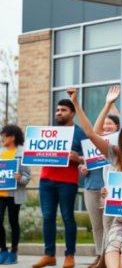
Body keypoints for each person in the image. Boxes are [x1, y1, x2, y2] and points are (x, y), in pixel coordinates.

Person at [67, 88, 122, 268]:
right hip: (120, 219)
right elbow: (92, 134)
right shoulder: (116, 156)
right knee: (112, 244)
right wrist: (84, 103)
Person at [32, 98, 87, 268]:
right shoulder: (49, 132)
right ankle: (49, 255)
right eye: (57, 110)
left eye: (63, 110)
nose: (59, 113)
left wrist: (78, 158)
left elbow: (91, 158)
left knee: (67, 217)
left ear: (72, 113)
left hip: (67, 182)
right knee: (47, 217)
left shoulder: (80, 133)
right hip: (46, 180)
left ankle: (69, 255)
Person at [80, 85, 121, 268]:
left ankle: (109, 259)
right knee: (101, 226)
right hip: (99, 187)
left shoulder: (119, 142)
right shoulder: (98, 144)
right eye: (104, 124)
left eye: (110, 124)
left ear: (117, 127)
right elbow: (94, 133)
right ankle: (102, 258)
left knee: (113, 227)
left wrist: (111, 104)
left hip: (115, 189)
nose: (106, 127)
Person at [0, 125, 31, 264]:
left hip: (14, 195)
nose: (2, 138)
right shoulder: (0, 152)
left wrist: (20, 178)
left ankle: (13, 252)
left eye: (4, 136)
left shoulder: (22, 153)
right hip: (0, 194)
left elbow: (27, 176)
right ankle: (3, 250)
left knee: (13, 223)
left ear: (12, 137)